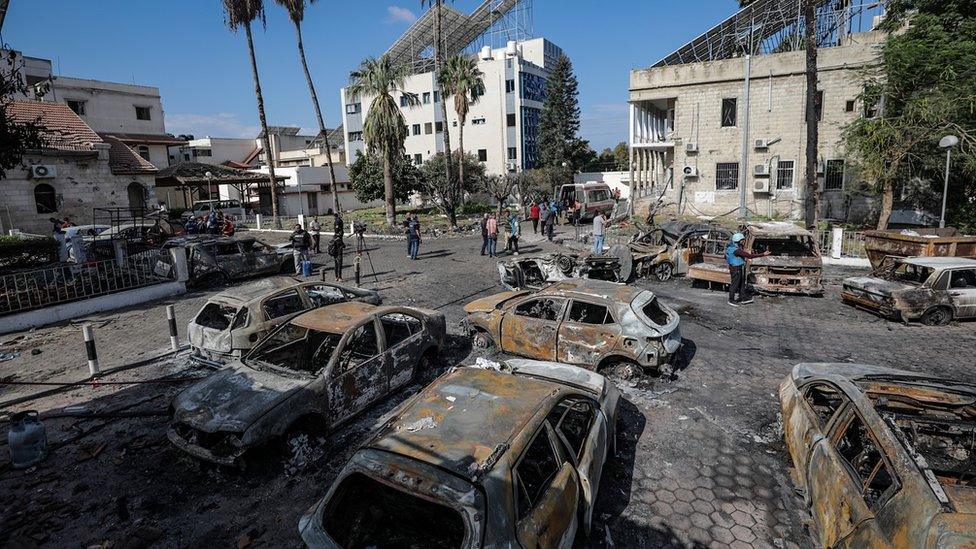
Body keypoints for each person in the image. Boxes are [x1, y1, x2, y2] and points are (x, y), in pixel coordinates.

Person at [726, 232, 771, 306]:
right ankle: (731, 300)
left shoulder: (730, 248)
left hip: (736, 268)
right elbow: (749, 256)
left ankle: (742, 298)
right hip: (736, 269)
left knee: (741, 284)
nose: (743, 241)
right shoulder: (736, 250)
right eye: (742, 240)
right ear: (738, 241)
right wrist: (763, 254)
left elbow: (726, 257)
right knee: (735, 285)